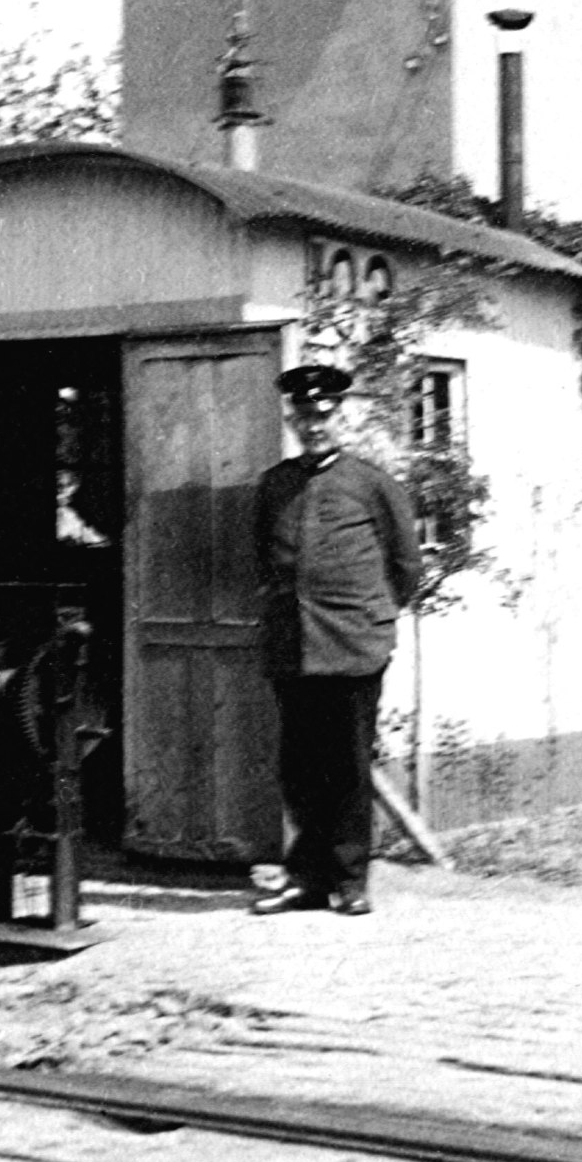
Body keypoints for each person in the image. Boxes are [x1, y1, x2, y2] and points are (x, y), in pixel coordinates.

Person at [251, 364, 422, 916]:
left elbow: (405, 566)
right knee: (300, 767)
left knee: (347, 766)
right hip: (293, 647)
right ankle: (305, 878)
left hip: (352, 646)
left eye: (323, 414)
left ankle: (351, 881)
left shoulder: (373, 484)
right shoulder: (275, 484)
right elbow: (263, 561)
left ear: (340, 415)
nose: (313, 425)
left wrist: (372, 617)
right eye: (303, 416)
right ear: (291, 420)